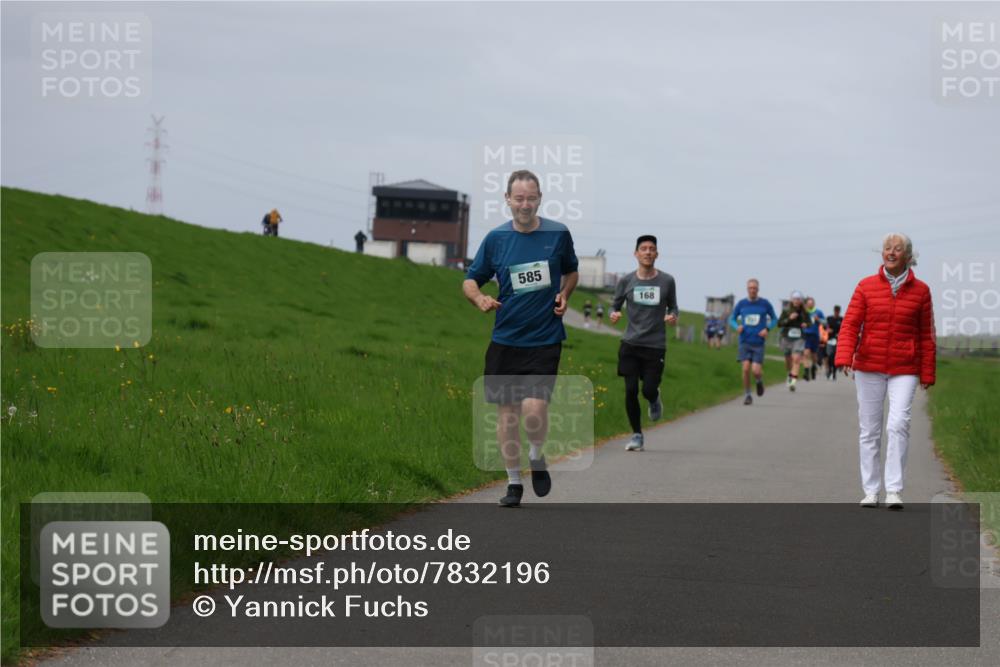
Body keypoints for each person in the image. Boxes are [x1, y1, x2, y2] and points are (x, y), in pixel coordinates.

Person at [463, 170, 579, 507]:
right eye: (519, 198)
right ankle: (514, 483)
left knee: (533, 408)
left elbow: (572, 271)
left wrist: (565, 294)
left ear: (539, 198)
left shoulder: (558, 234)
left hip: (544, 338)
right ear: (507, 199)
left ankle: (537, 454)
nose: (525, 204)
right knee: (507, 415)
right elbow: (470, 280)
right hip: (505, 339)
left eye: (531, 198)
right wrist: (479, 298)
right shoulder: (496, 239)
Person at [836, 233, 935, 510]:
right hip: (869, 365)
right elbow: (850, 324)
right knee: (870, 429)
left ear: (908, 256)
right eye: (887, 248)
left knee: (898, 424)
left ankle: (894, 490)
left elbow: (927, 334)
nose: (891, 252)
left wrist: (927, 371)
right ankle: (871, 490)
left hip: (905, 367)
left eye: (897, 249)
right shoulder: (866, 286)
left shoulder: (921, 291)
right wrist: (845, 356)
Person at [609, 235, 679, 451]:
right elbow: (615, 304)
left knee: (648, 389)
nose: (648, 252)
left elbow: (674, 307)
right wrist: (613, 313)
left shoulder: (667, 281)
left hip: (655, 345)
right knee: (630, 390)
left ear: (657, 254)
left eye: (651, 249)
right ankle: (637, 434)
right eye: (644, 248)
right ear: (636, 254)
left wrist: (672, 316)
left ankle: (654, 398)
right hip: (630, 343)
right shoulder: (626, 281)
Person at [729, 279, 777, 405]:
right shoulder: (742, 304)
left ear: (758, 289)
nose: (752, 290)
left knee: (756, 370)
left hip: (758, 342)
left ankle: (759, 381)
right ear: (747, 289)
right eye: (750, 288)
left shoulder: (765, 303)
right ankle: (748, 395)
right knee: (745, 369)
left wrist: (767, 329)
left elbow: (774, 319)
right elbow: (732, 319)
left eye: (754, 288)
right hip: (745, 341)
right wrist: (737, 326)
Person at [778, 291, 809, 391]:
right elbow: (779, 324)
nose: (796, 301)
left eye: (798, 299)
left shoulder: (804, 312)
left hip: (799, 338)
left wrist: (806, 324)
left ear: (801, 301)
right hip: (787, 337)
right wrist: (789, 319)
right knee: (788, 360)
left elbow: (809, 323)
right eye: (795, 299)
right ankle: (790, 374)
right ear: (792, 300)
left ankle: (792, 382)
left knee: (796, 359)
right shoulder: (786, 311)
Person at [802, 297, 826, 381]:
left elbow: (825, 323)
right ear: (806, 304)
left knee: (814, 355)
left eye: (811, 303)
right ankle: (806, 372)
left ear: (814, 304)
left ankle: (813, 366)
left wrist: (818, 319)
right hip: (806, 335)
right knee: (806, 353)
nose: (810, 305)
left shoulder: (818, 312)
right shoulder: (803, 312)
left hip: (815, 335)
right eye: (808, 303)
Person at [824, 305, 843, 379]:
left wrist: (839, 333)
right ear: (834, 311)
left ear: (839, 311)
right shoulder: (829, 318)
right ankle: (829, 370)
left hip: (838, 340)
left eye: (838, 311)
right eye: (835, 311)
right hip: (830, 340)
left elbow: (844, 328)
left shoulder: (841, 319)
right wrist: (827, 329)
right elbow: (825, 326)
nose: (836, 312)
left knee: (835, 356)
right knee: (829, 356)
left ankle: (834, 372)